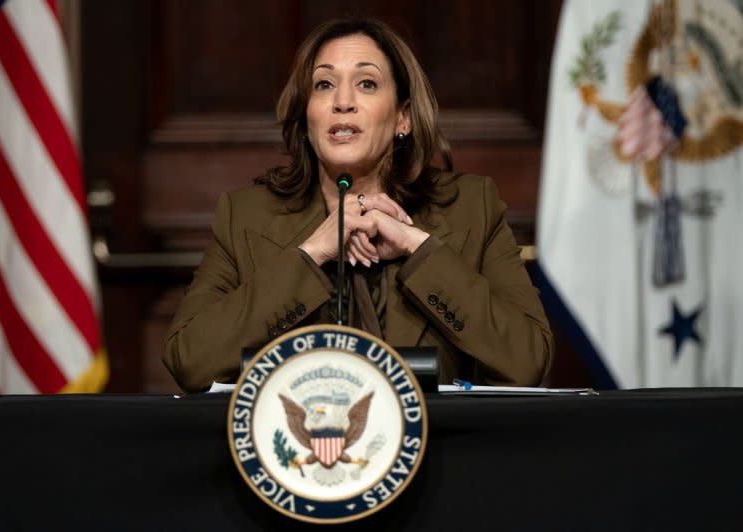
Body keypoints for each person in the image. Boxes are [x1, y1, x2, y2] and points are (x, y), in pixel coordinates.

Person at [164, 18, 553, 392]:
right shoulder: (246, 217)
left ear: (403, 117)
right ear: (306, 116)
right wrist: (312, 253)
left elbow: (526, 362)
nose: (343, 102)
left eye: (367, 83)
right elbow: (191, 361)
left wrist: (417, 248)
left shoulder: (471, 208)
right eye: (324, 84)